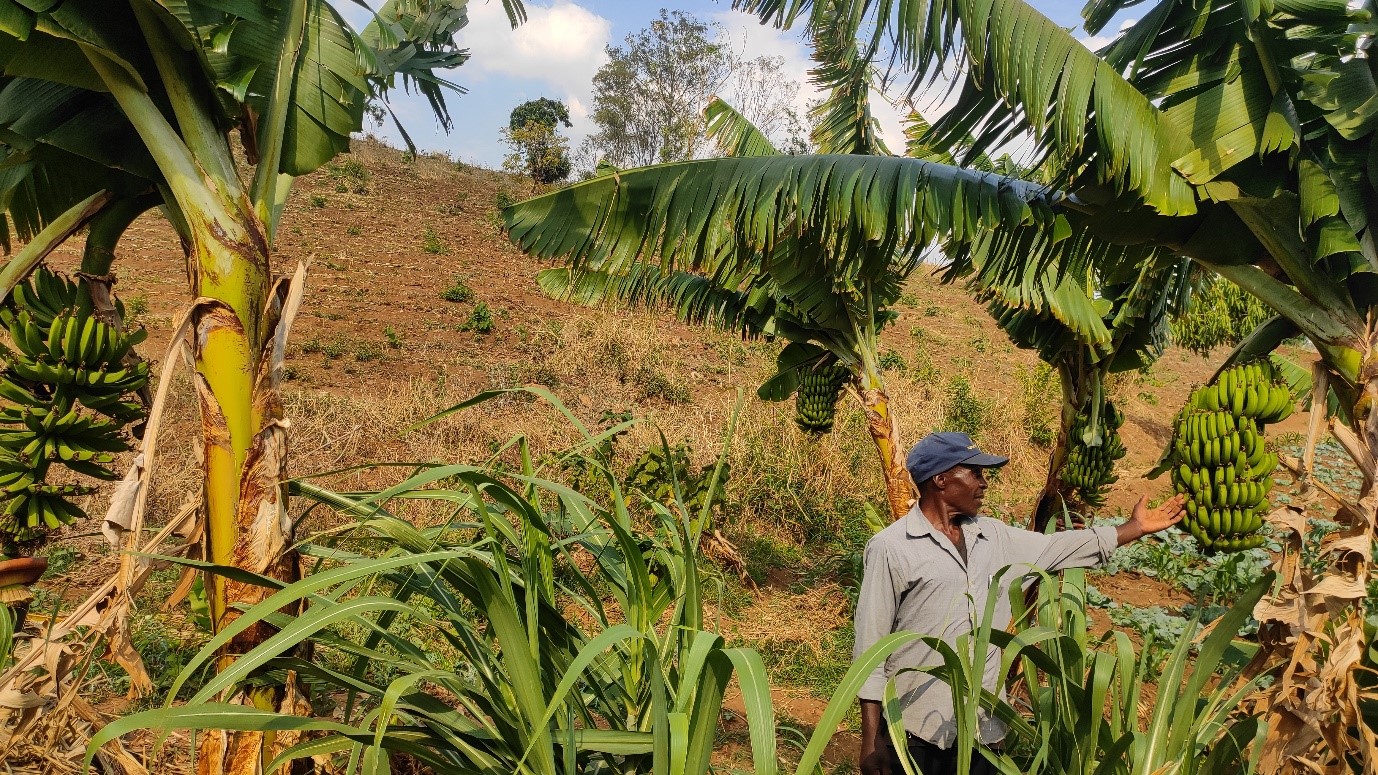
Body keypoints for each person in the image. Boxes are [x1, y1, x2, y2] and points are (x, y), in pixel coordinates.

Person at [854, 431, 1185, 775]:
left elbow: (1060, 548)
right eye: (975, 473)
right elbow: (870, 648)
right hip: (913, 731)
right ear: (941, 479)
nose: (984, 484)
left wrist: (1134, 527)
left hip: (982, 731)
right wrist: (870, 740)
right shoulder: (892, 547)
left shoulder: (993, 537)